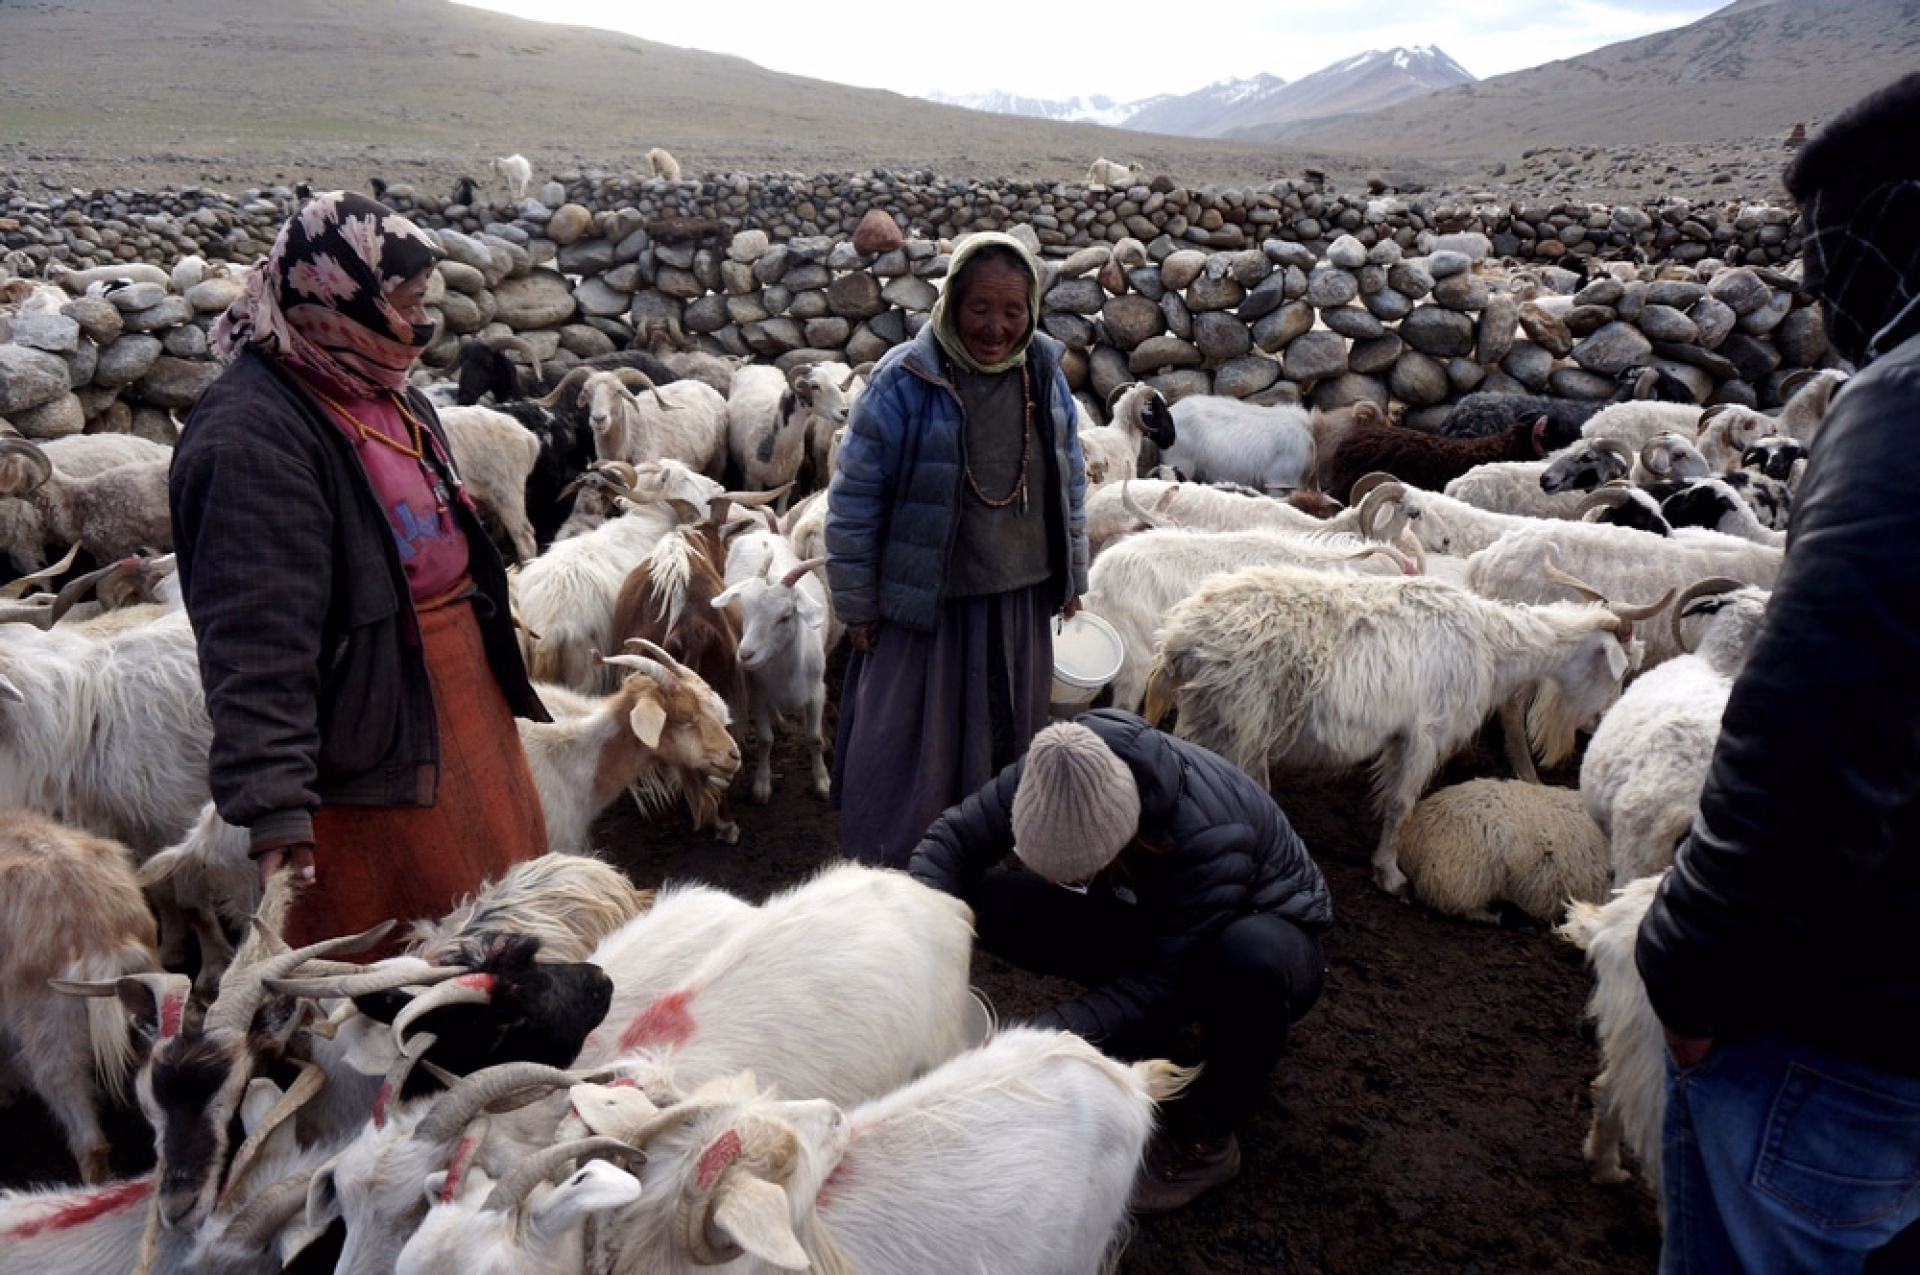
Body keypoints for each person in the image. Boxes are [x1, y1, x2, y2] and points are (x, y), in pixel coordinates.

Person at [1635, 72, 1920, 1273]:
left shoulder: (1902, 409)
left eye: (1830, 255)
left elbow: (1816, 733)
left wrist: (1685, 966)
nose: (1816, 296)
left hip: (1851, 1028)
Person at [169, 190, 551, 951]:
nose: (420, 323)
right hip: (369, 746)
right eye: (405, 303)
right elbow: (255, 638)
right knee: (403, 952)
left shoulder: (388, 389)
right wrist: (276, 806)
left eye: (422, 301)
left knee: (509, 921)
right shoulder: (252, 438)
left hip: (459, 704)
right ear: (341, 294)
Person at [909, 710, 1331, 1212]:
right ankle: (1135, 1023)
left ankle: (1209, 1138)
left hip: (1265, 931)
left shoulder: (1209, 834)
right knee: (976, 899)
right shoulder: (1056, 767)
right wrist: (918, 954)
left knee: (1246, 961)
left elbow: (1161, 985)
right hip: (1143, 907)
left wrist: (1032, 1042)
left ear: (1121, 834)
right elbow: (950, 842)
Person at [825, 231, 1089, 868]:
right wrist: (856, 604)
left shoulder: (1044, 377)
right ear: (951, 305)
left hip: (1020, 595)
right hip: (927, 604)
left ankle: (989, 854)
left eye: (1013, 311)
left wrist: (1073, 576)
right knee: (915, 743)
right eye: (980, 309)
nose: (996, 327)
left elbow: (1072, 478)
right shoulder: (904, 381)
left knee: (1008, 734)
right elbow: (855, 500)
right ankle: (900, 863)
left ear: (1031, 312)